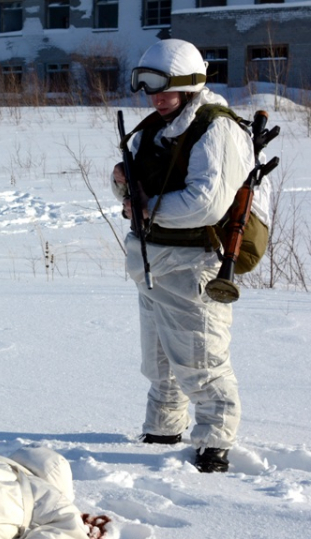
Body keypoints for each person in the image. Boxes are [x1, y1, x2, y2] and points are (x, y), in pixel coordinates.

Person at [112, 39, 269, 473]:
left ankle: (214, 442)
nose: (156, 98)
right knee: (159, 360)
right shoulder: (154, 126)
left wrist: (144, 206)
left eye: (165, 90)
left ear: (190, 86)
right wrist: (123, 183)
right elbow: (133, 187)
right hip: (150, 259)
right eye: (149, 90)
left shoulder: (215, 129)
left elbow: (206, 204)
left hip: (193, 262)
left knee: (200, 360)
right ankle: (163, 428)